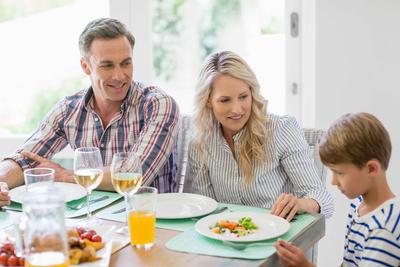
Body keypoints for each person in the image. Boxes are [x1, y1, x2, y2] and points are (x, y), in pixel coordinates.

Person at [0, 18, 179, 207]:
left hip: (150, 221)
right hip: (89, 220)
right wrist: (1, 180)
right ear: (85, 66)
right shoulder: (68, 109)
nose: (119, 76)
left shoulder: (158, 104)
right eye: (107, 65)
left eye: (126, 63)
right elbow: (26, 158)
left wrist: (66, 176)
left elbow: (136, 173)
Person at [187, 51, 334, 221]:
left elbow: (324, 201)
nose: (236, 109)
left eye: (243, 97)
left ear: (252, 92)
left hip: (277, 238)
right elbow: (207, 209)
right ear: (207, 101)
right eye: (225, 100)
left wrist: (300, 204)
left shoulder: (281, 129)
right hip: (225, 238)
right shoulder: (200, 142)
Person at [275, 112, 400, 267]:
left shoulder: (383, 229)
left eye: (339, 173)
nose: (334, 182)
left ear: (371, 169)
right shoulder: (359, 205)